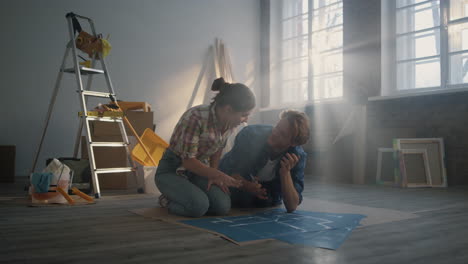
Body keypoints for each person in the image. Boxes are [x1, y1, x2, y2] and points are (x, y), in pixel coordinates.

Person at [155, 77, 255, 217]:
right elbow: (188, 161)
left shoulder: (229, 123)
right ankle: (167, 199)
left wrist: (213, 175)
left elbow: (217, 149)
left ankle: (188, 194)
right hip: (172, 169)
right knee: (198, 206)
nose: (246, 120)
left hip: (198, 171)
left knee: (222, 206)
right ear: (228, 109)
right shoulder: (195, 117)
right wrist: (220, 175)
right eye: (244, 115)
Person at [219, 110, 310, 213]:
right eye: (277, 127)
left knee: (266, 201)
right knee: (223, 203)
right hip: (226, 179)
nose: (275, 133)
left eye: (282, 134)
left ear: (293, 143)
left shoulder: (296, 156)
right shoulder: (251, 135)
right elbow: (232, 173)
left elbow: (292, 206)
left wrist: (285, 173)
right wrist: (247, 185)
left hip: (264, 196)